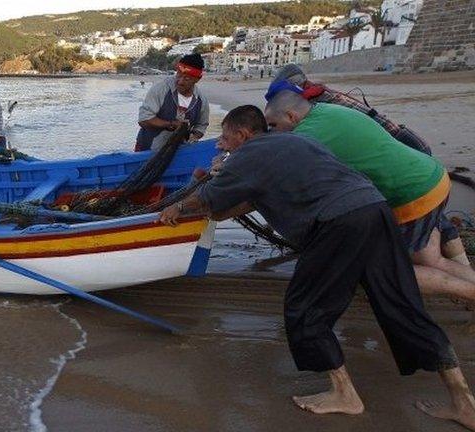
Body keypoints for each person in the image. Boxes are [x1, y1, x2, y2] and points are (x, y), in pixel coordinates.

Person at [159, 105, 475, 430]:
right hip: (374, 209)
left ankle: (345, 394)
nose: (220, 144)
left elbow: (208, 199)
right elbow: (236, 205)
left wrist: (178, 206)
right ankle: (464, 402)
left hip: (338, 223)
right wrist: (221, 181)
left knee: (305, 308)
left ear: (243, 134)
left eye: (225, 138)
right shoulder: (295, 141)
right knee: (403, 305)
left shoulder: (246, 155)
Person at [264, 88, 475, 304]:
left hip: (412, 195)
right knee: (432, 261)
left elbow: (278, 175)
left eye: (273, 125)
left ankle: (469, 294)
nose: (274, 132)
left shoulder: (305, 135)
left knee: (387, 273)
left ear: (291, 116)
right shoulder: (330, 110)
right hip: (433, 176)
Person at [272, 64, 469, 265]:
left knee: (421, 218)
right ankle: (461, 267)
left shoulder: (316, 107)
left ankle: (447, 274)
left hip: (402, 148)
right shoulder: (324, 99)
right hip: (408, 146)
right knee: (434, 216)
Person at [135, 53, 209, 152]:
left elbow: (202, 125)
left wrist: (194, 136)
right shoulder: (160, 89)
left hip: (179, 152)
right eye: (178, 75)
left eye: (186, 79)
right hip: (148, 149)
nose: (180, 81)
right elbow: (144, 120)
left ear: (197, 79)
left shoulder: (201, 100)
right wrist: (171, 124)